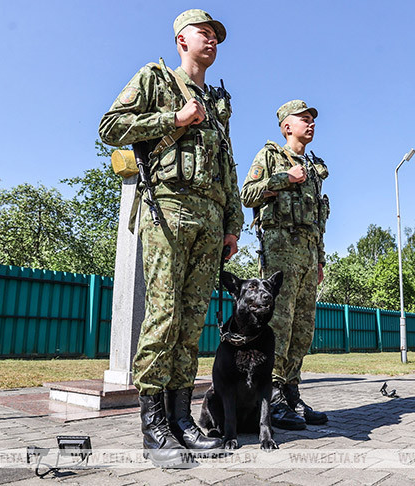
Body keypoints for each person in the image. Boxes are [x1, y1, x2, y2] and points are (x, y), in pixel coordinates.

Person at [98, 9, 244, 466]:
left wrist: (233, 221)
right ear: (182, 39)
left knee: (191, 320)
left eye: (217, 36)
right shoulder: (155, 79)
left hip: (209, 217)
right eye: (205, 33)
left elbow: (229, 163)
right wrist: (173, 119)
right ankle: (153, 427)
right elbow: (110, 127)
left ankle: (182, 419)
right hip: (168, 208)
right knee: (162, 316)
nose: (213, 41)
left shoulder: (218, 100)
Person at [240, 100, 330, 430]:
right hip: (279, 253)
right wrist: (283, 179)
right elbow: (247, 194)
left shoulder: (315, 165)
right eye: (304, 119)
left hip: (308, 256)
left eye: (312, 120)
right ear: (286, 126)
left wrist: (319, 259)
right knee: (278, 324)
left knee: (303, 329)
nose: (311, 124)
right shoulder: (270, 157)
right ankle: (272, 396)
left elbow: (319, 217)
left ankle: (292, 392)